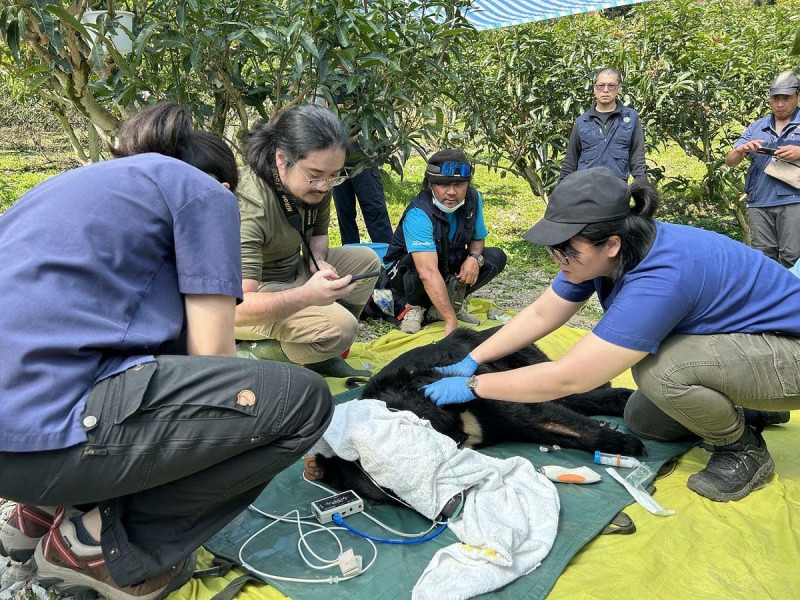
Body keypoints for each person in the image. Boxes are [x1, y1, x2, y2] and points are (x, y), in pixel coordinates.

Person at [0, 103, 333, 600]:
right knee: (299, 403)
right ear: (223, 186)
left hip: (18, 440)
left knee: (146, 359)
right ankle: (93, 546)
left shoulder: (69, 187)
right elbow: (213, 364)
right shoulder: (204, 194)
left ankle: (39, 515)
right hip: (48, 446)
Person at [423, 166, 800, 503]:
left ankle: (742, 450)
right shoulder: (608, 252)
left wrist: (474, 386)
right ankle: (744, 404)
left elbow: (573, 376)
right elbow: (541, 312)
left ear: (611, 244)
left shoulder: (661, 277)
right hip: (742, 348)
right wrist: (474, 358)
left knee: (660, 373)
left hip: (788, 351)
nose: (560, 261)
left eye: (567, 252)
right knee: (645, 420)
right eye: (555, 251)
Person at [234, 104, 380, 377]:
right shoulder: (251, 206)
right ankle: (246, 354)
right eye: (315, 176)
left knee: (365, 261)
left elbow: (319, 234)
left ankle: (322, 353)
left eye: (334, 176)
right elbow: (238, 307)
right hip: (247, 299)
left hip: (291, 275)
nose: (325, 187)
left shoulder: (315, 181)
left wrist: (319, 262)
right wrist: (306, 295)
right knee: (341, 328)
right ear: (281, 159)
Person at [369, 149, 507, 335]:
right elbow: (428, 272)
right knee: (414, 264)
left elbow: (477, 237)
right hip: (407, 273)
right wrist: (451, 321)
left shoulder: (474, 199)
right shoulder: (418, 213)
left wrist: (474, 257)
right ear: (430, 185)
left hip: (445, 260)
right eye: (443, 185)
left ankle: (444, 305)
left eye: (458, 184)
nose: (451, 192)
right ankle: (415, 307)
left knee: (495, 257)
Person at [725, 70, 800, 267]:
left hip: (794, 200)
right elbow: (730, 161)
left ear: (798, 96)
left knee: (794, 257)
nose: (781, 104)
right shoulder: (757, 126)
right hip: (760, 201)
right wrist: (741, 150)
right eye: (776, 98)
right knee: (763, 260)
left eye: (786, 98)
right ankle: (771, 298)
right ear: (769, 99)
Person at [560, 67, 647, 184]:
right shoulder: (582, 121)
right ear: (594, 88)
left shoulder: (630, 118)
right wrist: (561, 191)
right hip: (586, 189)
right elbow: (570, 161)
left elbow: (637, 156)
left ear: (619, 88)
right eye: (601, 86)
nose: (606, 90)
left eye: (611, 86)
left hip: (617, 189)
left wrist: (642, 185)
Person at [332, 150, 393, 245]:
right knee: (344, 213)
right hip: (336, 155)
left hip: (362, 154)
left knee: (375, 211)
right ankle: (351, 256)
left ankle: (387, 256)